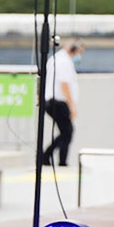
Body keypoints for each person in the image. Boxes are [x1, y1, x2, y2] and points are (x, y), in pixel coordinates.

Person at [40, 39, 82, 167]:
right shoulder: (64, 61)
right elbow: (64, 84)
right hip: (58, 102)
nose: (79, 55)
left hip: (52, 101)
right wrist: (72, 105)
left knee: (66, 132)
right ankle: (51, 158)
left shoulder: (56, 59)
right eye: (79, 51)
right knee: (67, 132)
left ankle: (51, 157)